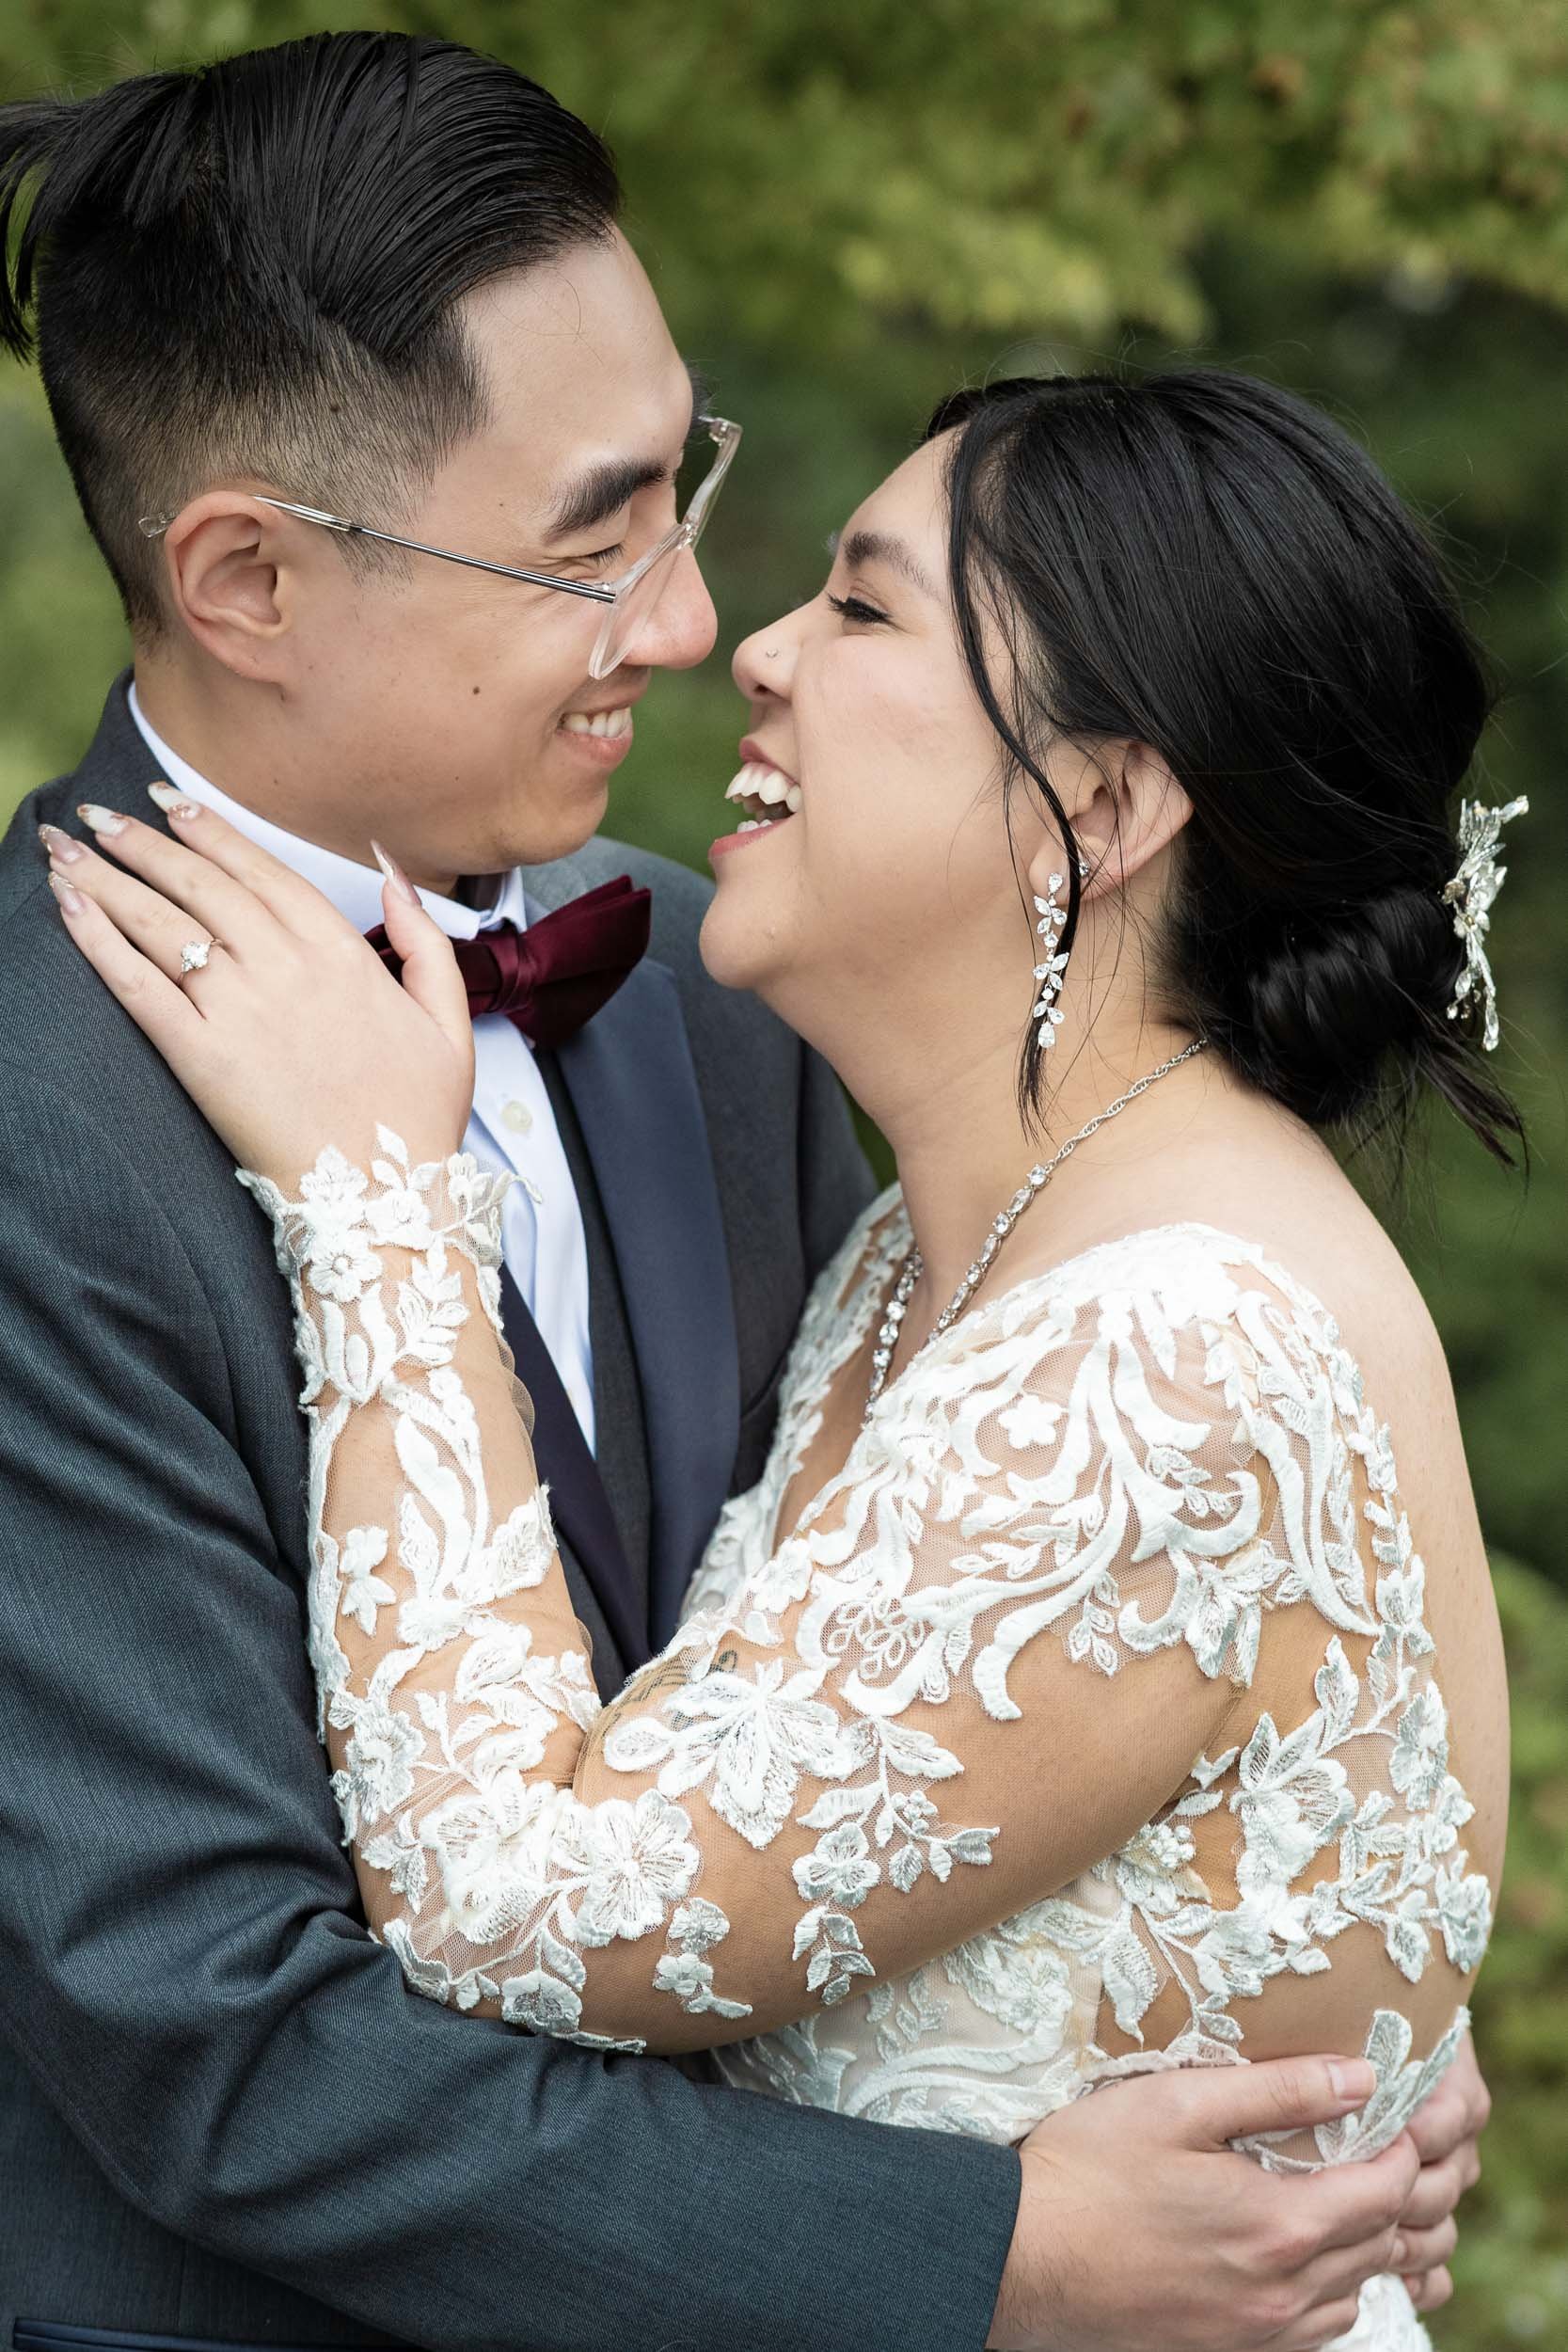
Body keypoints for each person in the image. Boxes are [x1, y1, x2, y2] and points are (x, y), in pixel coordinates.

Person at [0, 32, 1486, 2352]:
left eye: (682, 491)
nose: (698, 626)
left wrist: (1291, 1991)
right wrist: (1001, 2253)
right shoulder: (31, 1111)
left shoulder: (732, 995)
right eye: (594, 535)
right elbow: (217, 2035)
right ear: (250, 580)